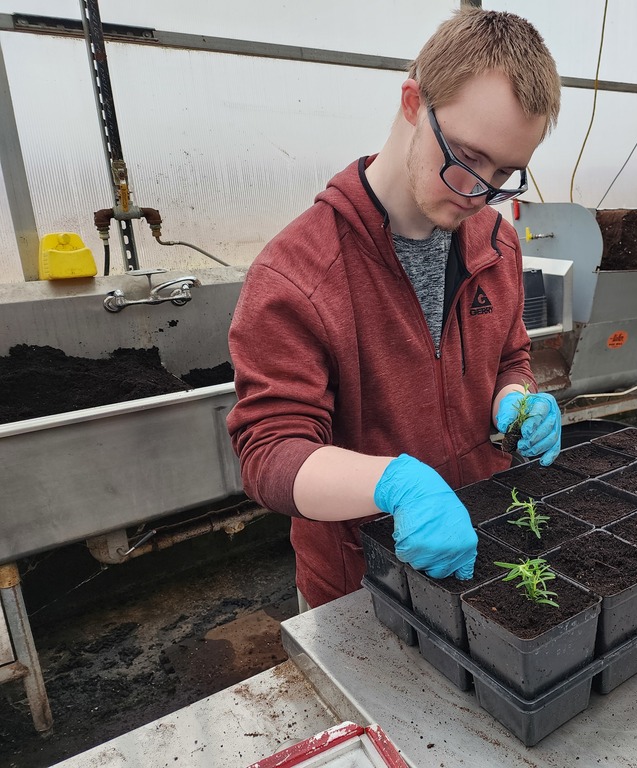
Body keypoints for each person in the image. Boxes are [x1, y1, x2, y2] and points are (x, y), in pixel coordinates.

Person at [226, 9, 564, 610]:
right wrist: (392, 485)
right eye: (467, 159)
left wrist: (515, 402)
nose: (480, 193)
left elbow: (510, 355)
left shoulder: (496, 241)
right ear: (413, 103)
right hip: (363, 587)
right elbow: (271, 452)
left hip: (482, 559)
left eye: (505, 174)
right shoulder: (300, 273)